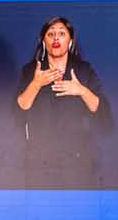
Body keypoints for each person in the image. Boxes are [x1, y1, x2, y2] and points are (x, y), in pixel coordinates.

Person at [15, 16, 112, 189]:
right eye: (50, 34)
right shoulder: (31, 70)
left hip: (78, 161)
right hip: (40, 162)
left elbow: (101, 110)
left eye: (61, 33)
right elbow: (21, 107)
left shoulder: (84, 70)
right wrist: (36, 83)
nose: (56, 38)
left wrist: (81, 90)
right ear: (43, 41)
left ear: (70, 41)